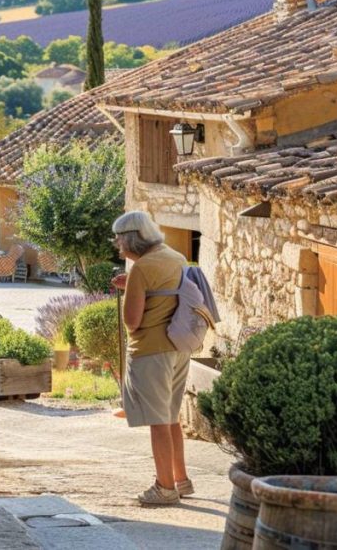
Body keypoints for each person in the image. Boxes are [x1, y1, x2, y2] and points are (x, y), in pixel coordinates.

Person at [110, 211, 193, 506]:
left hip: (151, 350)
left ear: (132, 238)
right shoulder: (175, 256)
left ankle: (164, 488)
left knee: (158, 421)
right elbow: (165, 293)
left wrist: (132, 285)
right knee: (171, 417)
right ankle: (181, 480)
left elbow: (132, 321)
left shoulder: (142, 268)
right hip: (178, 347)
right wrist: (131, 284)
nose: (117, 245)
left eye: (119, 239)